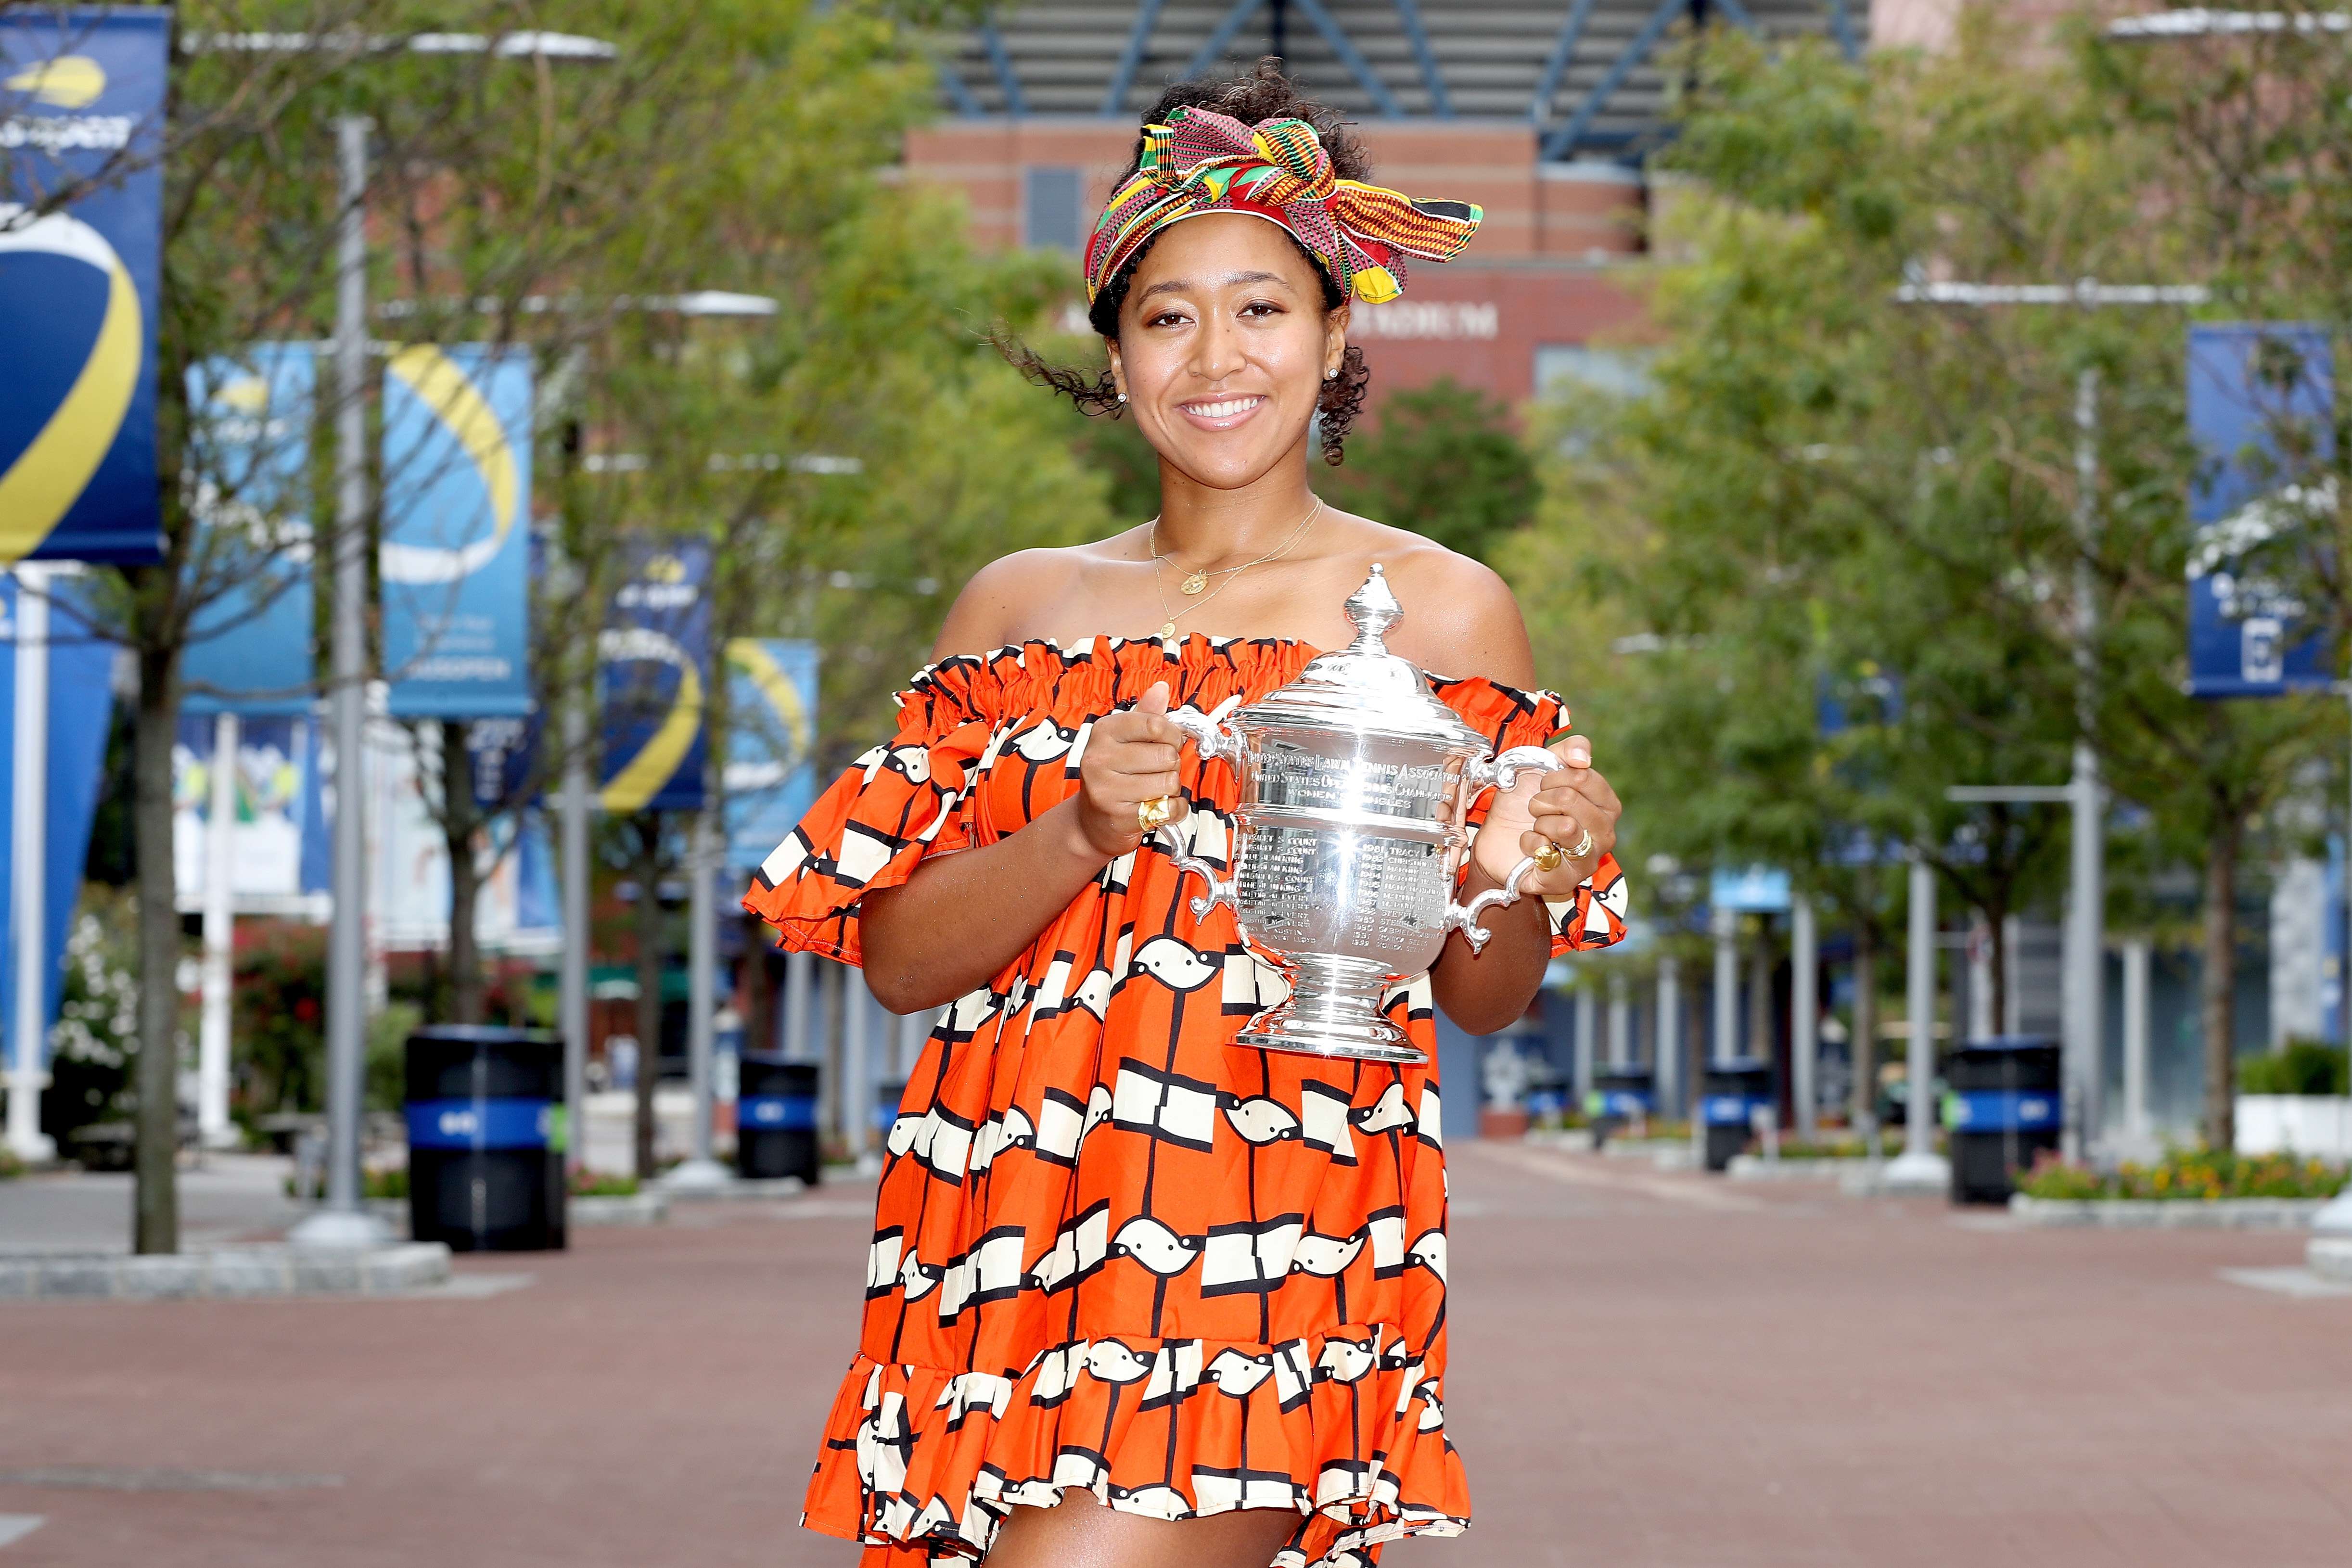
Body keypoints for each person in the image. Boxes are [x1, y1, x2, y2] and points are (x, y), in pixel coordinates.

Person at [744, 62, 1627, 1568]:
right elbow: (898, 960)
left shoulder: (1439, 611)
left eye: (1264, 307)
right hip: (998, 1232)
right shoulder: (1018, 609)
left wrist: (1525, 867)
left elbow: (1481, 993)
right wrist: (1077, 830)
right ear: (1116, 350)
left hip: (1260, 1243)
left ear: (1338, 331)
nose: (1217, 353)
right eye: (1168, 314)